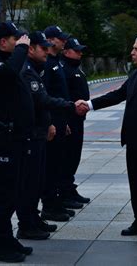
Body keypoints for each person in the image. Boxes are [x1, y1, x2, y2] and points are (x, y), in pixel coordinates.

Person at [81, 35, 137, 247]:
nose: (132, 52)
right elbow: (118, 94)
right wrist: (90, 104)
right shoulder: (136, 73)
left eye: (136, 49)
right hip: (134, 141)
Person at [18, 31, 87, 240]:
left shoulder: (46, 63)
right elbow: (43, 98)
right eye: (44, 47)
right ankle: (36, 215)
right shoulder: (31, 69)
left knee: (46, 172)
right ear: (31, 48)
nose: (48, 50)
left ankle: (35, 217)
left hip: (51, 123)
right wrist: (65, 111)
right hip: (39, 129)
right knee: (35, 179)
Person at [0, 21, 32, 263]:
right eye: (16, 40)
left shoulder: (10, 62)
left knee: (14, 191)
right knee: (3, 194)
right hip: (4, 140)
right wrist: (22, 49)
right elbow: (8, 75)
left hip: (18, 138)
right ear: (3, 42)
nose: (21, 45)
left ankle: (7, 237)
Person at [41, 25, 75, 221]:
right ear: (51, 39)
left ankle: (56, 203)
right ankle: (49, 206)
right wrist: (50, 123)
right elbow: (44, 96)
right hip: (51, 123)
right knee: (51, 167)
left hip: (61, 121)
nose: (63, 42)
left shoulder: (56, 61)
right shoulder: (46, 63)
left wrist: (65, 122)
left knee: (58, 165)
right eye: (60, 39)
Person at [59, 37, 92, 210]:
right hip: (69, 120)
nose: (80, 53)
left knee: (74, 157)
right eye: (76, 50)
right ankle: (63, 192)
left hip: (78, 120)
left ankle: (70, 188)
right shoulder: (63, 69)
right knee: (66, 157)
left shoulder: (74, 67)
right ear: (66, 51)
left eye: (80, 50)